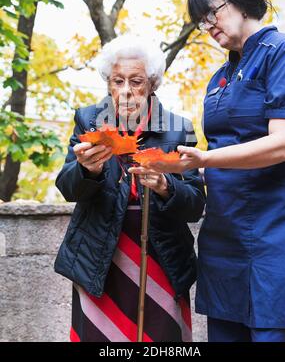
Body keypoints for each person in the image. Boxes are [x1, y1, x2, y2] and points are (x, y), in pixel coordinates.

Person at [144, 0, 285, 342]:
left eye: (212, 13)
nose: (208, 25)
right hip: (223, 235)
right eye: (201, 21)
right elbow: (211, 151)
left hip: (275, 232)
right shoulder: (219, 78)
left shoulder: (284, 52)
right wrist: (171, 172)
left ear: (242, 3)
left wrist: (204, 161)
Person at [54, 35, 205, 342]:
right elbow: (68, 188)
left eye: (135, 81)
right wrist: (88, 170)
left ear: (151, 85)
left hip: (161, 254)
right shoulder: (89, 120)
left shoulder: (178, 128)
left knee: (159, 339)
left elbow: (195, 204)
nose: (125, 91)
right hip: (100, 253)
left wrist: (165, 186)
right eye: (117, 81)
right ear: (108, 84)